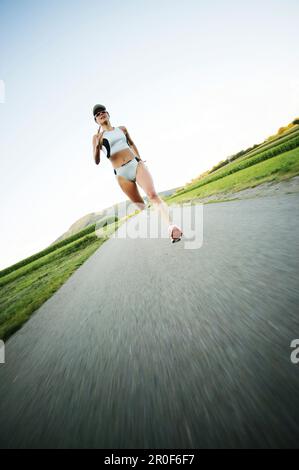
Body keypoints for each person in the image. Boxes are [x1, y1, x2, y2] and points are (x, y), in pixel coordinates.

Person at [92, 104, 183, 243]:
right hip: (122, 175)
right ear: (96, 120)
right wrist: (98, 147)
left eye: (103, 112)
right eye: (97, 114)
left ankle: (171, 226)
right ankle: (154, 213)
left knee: (152, 195)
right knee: (142, 207)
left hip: (136, 165)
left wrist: (139, 158)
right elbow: (96, 161)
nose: (101, 114)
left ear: (108, 114)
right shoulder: (97, 137)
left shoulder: (122, 129)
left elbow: (132, 143)